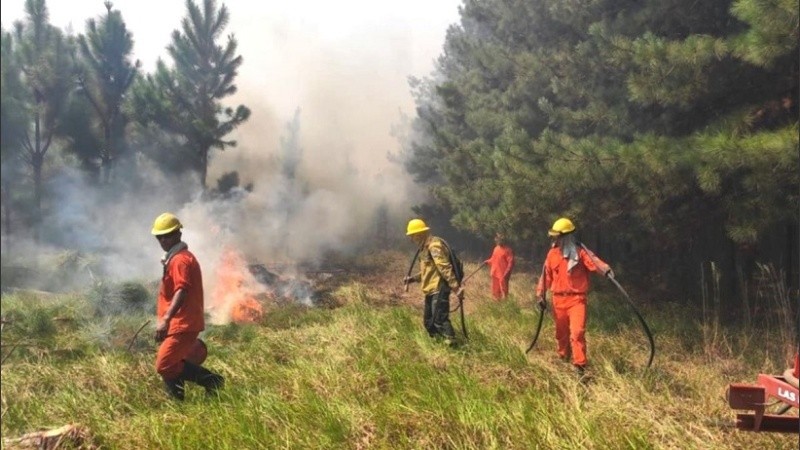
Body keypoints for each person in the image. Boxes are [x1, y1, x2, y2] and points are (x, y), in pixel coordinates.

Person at [151, 212, 224, 400]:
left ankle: (212, 380)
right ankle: (177, 404)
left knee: (164, 364)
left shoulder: (180, 260)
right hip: (178, 322)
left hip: (182, 322)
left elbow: (181, 290)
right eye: (160, 237)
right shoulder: (174, 258)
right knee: (174, 362)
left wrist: (166, 319)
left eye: (168, 235)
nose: (164, 240)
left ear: (178, 234)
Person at [535, 217, 613, 376]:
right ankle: (563, 356)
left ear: (567, 236)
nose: (554, 239)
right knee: (561, 333)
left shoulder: (580, 252)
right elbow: (546, 276)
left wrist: (606, 270)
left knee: (577, 332)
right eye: (553, 236)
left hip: (577, 300)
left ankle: (580, 366)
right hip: (558, 300)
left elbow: (595, 262)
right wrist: (540, 295)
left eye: (557, 236)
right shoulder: (552, 254)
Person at [403, 218, 464, 344]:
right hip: (430, 290)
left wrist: (456, 288)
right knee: (429, 323)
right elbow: (428, 271)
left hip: (439, 289)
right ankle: (438, 344)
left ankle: (452, 344)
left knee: (439, 320)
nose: (411, 240)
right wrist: (412, 279)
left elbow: (444, 268)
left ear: (419, 234)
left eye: (412, 236)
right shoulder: (424, 249)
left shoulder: (434, 246)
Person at [485, 233, 515, 300]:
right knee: (495, 291)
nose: (498, 241)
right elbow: (493, 259)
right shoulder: (496, 248)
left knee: (503, 291)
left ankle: (504, 306)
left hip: (503, 274)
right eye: (497, 239)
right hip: (495, 273)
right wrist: (487, 261)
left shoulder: (508, 250)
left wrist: (506, 273)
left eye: (500, 240)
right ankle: (496, 306)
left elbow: (511, 262)